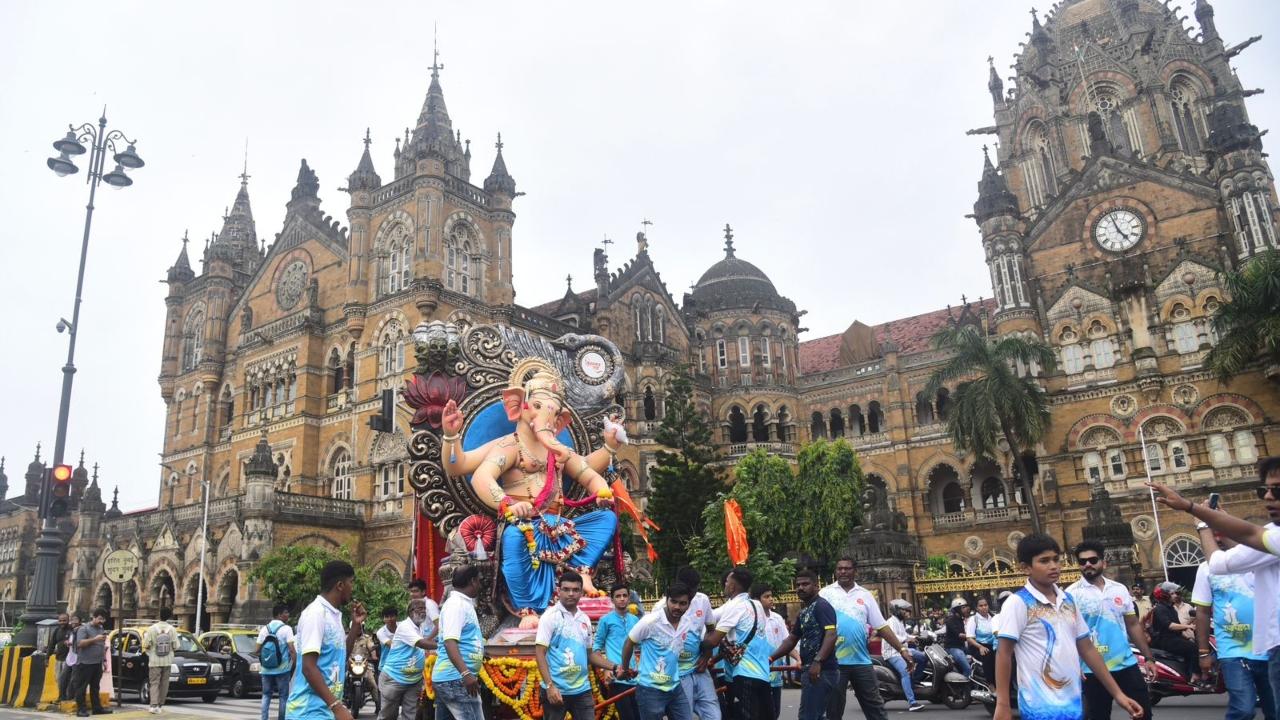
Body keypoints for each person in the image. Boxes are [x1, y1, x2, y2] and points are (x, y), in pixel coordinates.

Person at [1149, 458, 1280, 717]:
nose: (1267, 497)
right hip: (1242, 650)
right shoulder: (1269, 539)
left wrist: (1199, 518)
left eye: (1277, 490)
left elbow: (1226, 557)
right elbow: (1249, 539)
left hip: (1266, 648)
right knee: (1247, 710)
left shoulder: (1272, 540)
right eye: (1262, 490)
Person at [993, 533, 1143, 720]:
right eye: (1044, 561)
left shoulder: (1068, 601)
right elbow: (1004, 653)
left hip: (1074, 704)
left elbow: (1087, 649)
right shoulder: (1018, 603)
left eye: (1056, 559)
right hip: (1039, 708)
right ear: (1025, 568)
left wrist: (1118, 694)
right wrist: (1003, 704)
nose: (1054, 566)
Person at [1067, 540, 1156, 720]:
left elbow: (1132, 625)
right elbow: (1068, 634)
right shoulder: (1071, 594)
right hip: (1092, 670)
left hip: (1126, 664)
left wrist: (1149, 658)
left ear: (1103, 562)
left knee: (1143, 715)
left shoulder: (1120, 589)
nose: (1088, 564)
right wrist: (1073, 665)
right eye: (1083, 562)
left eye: (1093, 560)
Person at [1194, 528, 1276, 720]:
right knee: (1243, 709)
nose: (1217, 538)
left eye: (1220, 532)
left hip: (1270, 647)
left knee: (1275, 710)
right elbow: (1203, 612)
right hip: (1233, 651)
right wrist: (1204, 652)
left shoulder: (1260, 559)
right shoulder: (1206, 568)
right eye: (1213, 534)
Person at [819, 557, 913, 720]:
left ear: (855, 571)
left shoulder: (865, 595)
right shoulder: (825, 594)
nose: (842, 572)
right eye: (839, 568)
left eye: (847, 568)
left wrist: (902, 649)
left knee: (875, 707)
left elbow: (881, 626)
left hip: (861, 662)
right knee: (833, 709)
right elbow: (816, 626)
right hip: (834, 662)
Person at [286, 560, 367, 720]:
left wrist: (355, 627)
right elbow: (308, 668)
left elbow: (340, 657)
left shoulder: (333, 615)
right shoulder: (316, 614)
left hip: (325, 711)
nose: (353, 588)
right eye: (351, 582)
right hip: (307, 712)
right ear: (340, 585)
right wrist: (337, 708)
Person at [534, 571, 616, 720]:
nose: (570, 594)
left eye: (575, 590)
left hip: (582, 690)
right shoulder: (550, 617)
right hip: (556, 690)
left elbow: (590, 655)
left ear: (581, 592)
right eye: (566, 589)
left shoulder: (584, 619)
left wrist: (615, 667)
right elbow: (540, 653)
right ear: (559, 591)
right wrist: (550, 686)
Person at [703, 568, 774, 720]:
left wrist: (693, 644)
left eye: (727, 582)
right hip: (763, 674)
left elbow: (713, 640)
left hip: (745, 674)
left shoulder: (735, 607)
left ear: (732, 587)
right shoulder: (756, 604)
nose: (725, 585)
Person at [768, 569, 838, 720]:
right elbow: (792, 639)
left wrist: (817, 662)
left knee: (808, 716)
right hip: (810, 670)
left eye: (805, 584)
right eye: (798, 585)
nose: (800, 588)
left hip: (822, 671)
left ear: (816, 586)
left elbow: (831, 635)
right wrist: (770, 658)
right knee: (815, 715)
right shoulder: (804, 611)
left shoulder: (821, 606)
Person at [619, 583, 695, 720]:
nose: (677, 607)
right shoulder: (650, 621)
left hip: (675, 686)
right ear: (666, 600)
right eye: (674, 601)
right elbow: (629, 642)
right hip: (650, 689)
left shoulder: (687, 622)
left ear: (689, 604)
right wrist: (624, 669)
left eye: (683, 603)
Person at [431, 565, 485, 720]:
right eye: (479, 581)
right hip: (455, 679)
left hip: (452, 678)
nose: (480, 585)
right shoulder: (456, 605)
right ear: (473, 581)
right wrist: (466, 673)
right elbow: (450, 642)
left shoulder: (463, 603)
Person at [381, 599, 436, 720]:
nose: (423, 612)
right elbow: (421, 643)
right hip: (394, 679)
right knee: (388, 716)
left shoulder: (419, 627)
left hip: (414, 681)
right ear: (411, 612)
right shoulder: (405, 626)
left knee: (410, 715)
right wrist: (443, 645)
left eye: (424, 609)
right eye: (420, 609)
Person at [594, 583, 640, 720]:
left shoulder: (635, 620)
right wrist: (606, 669)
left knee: (639, 715)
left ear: (629, 598)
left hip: (636, 676)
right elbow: (596, 647)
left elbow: (642, 646)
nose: (622, 599)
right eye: (618, 596)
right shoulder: (606, 620)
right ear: (612, 600)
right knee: (627, 716)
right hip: (617, 677)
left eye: (624, 596)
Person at [1151, 582, 1202, 686]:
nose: (1175, 595)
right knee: (1193, 648)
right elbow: (1170, 626)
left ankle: (1187, 675)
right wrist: (1189, 626)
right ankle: (1195, 675)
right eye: (1172, 593)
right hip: (1165, 640)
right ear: (1164, 595)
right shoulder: (1159, 609)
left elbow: (1177, 628)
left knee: (1193, 645)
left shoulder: (1171, 608)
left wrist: (1187, 637)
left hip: (1174, 638)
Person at [751, 585, 790, 720]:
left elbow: (787, 642)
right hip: (758, 672)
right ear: (756, 600)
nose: (771, 599)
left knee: (775, 711)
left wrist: (798, 658)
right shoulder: (751, 620)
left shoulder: (777, 618)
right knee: (762, 712)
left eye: (771, 596)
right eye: (766, 597)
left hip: (776, 673)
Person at [883, 599, 927, 711]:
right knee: (906, 671)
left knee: (923, 657)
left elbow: (904, 635)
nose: (908, 613)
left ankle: (914, 681)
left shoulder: (899, 622)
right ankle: (912, 703)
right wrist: (908, 639)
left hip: (904, 650)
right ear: (897, 610)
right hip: (893, 653)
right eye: (906, 611)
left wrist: (914, 637)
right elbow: (894, 637)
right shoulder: (891, 622)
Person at [258, 603, 296, 720]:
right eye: (286, 613)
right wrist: (294, 664)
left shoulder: (264, 629)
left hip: (265, 669)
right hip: (282, 669)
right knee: (283, 697)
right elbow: (291, 650)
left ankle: (264, 718)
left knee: (266, 695)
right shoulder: (286, 629)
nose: (288, 615)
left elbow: (256, 649)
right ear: (279, 615)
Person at [71, 607, 110, 718]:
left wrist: (104, 660)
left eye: (103, 619)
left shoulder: (101, 628)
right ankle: (81, 709)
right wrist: (95, 639)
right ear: (93, 617)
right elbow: (80, 644)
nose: (101, 621)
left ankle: (97, 708)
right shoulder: (84, 629)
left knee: (95, 687)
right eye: (99, 618)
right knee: (82, 687)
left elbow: (101, 645)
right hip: (85, 663)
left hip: (97, 663)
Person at [141, 608, 179, 714]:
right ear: (169, 616)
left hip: (154, 661)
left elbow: (146, 644)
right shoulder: (172, 629)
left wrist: (151, 650)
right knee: (164, 683)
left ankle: (153, 705)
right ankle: (160, 705)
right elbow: (176, 646)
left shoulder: (152, 629)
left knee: (154, 683)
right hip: (167, 660)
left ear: (159, 615)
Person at [966, 597, 997, 686]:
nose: (984, 607)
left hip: (993, 645)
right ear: (977, 608)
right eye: (981, 606)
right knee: (987, 656)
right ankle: (990, 684)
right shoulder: (973, 619)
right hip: (978, 646)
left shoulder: (993, 618)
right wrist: (980, 647)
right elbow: (969, 638)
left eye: (985, 605)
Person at [943, 598, 973, 677]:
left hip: (961, 647)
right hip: (952, 648)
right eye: (963, 608)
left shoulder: (960, 619)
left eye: (966, 607)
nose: (966, 609)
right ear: (957, 609)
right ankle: (965, 688)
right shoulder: (950, 620)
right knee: (967, 669)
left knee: (978, 654)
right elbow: (960, 635)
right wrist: (972, 636)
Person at [56, 613, 78, 701]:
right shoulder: (57, 631)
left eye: (64, 620)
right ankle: (61, 696)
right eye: (60, 620)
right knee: (60, 679)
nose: (62, 622)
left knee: (67, 679)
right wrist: (47, 657)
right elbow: (52, 643)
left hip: (69, 659)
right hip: (59, 658)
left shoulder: (73, 631)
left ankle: (68, 696)